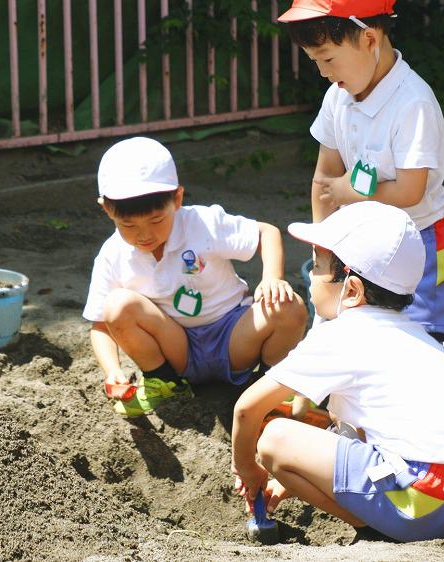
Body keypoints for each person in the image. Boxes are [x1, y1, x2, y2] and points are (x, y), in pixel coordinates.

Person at [231, 201, 444, 542]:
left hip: (428, 504)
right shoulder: (414, 333)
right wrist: (289, 480)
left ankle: (375, 528)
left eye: (316, 267)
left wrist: (247, 469)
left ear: (352, 290)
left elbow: (246, 409)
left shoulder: (342, 335)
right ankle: (381, 521)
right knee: (326, 439)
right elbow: (357, 435)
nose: (310, 278)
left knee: (275, 438)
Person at [278, 0, 444, 362]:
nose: (322, 73)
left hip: (423, 243)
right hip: (363, 247)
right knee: (362, 339)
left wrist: (352, 191)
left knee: (415, 344)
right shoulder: (337, 98)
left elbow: (411, 190)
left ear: (368, 39)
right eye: (314, 61)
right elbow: (323, 178)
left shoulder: (413, 103)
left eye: (328, 59)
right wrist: (323, 249)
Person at [82, 137, 308, 417]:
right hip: (177, 349)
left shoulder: (203, 223)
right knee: (117, 305)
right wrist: (112, 369)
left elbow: (266, 232)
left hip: (233, 336)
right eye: (128, 224)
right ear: (107, 209)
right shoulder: (112, 254)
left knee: (290, 307)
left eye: (156, 221)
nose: (144, 235)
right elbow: (101, 325)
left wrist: (272, 277)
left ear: (177, 199)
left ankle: (271, 386)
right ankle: (164, 381)